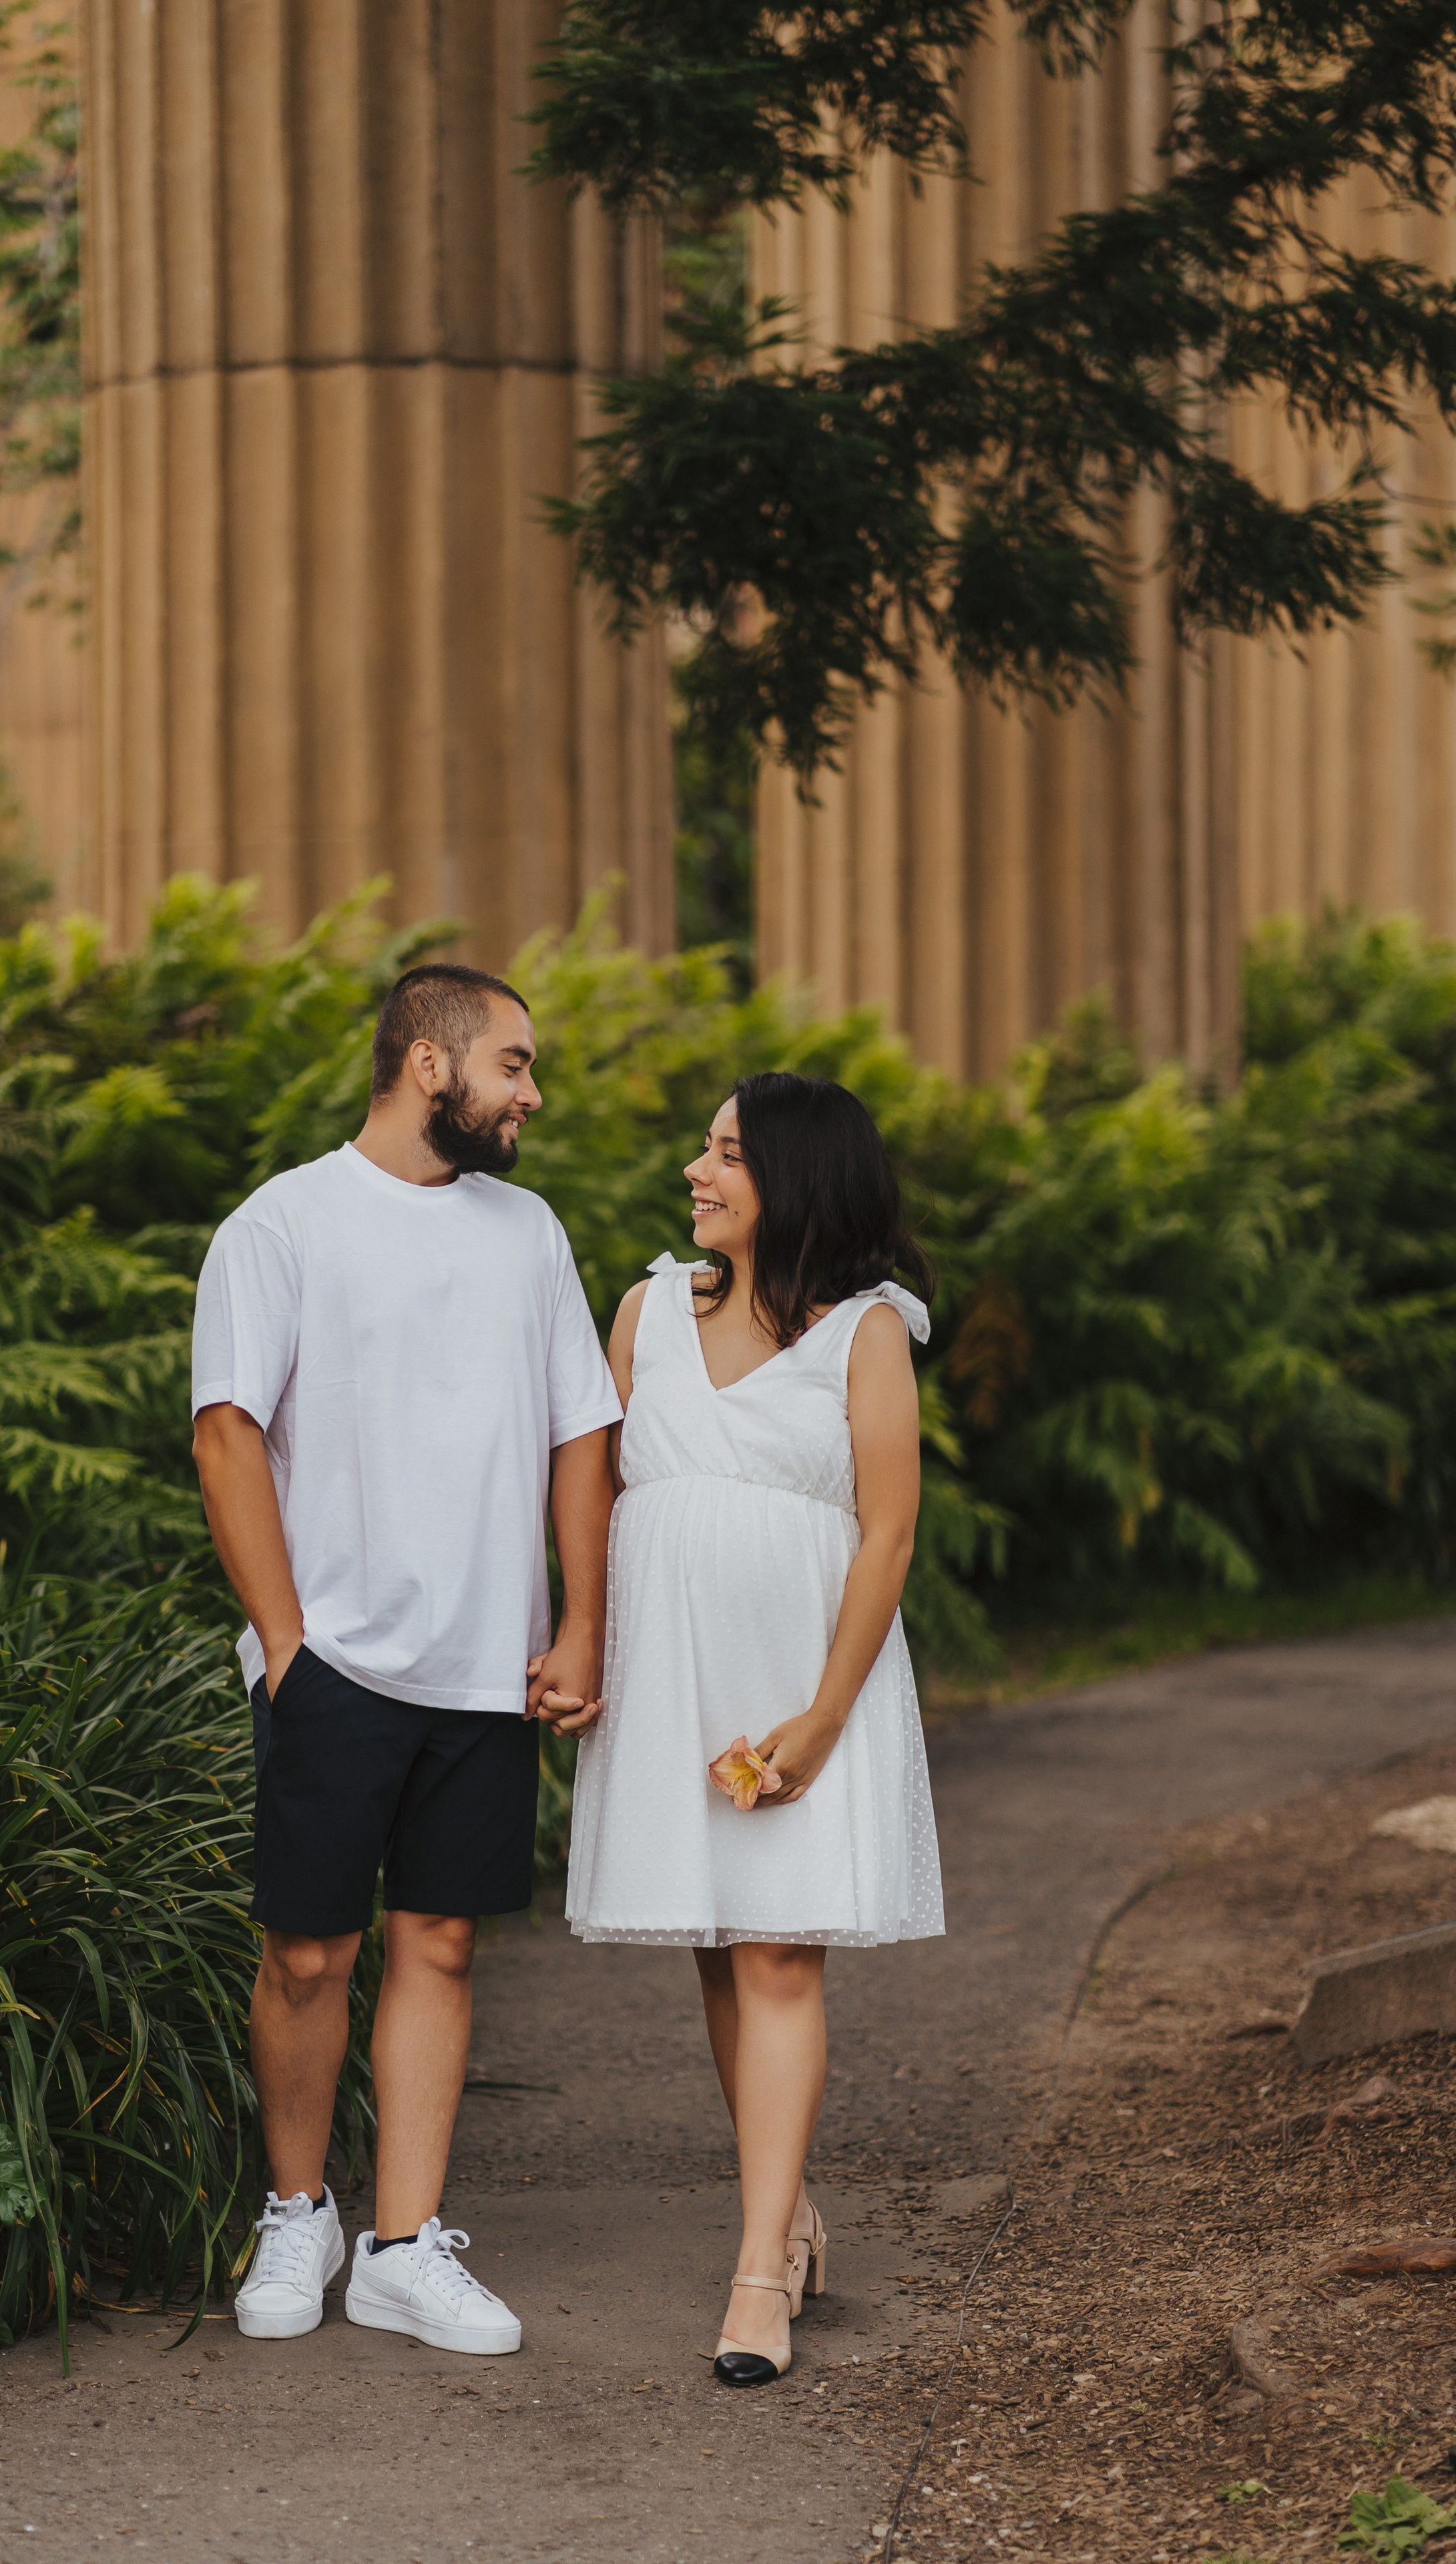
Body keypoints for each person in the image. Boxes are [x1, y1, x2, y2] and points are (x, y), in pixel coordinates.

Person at [192, 962, 620, 2354]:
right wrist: (285, 1645)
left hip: (485, 1671)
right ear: (427, 1065)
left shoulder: (529, 1232)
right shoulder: (282, 1226)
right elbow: (226, 1432)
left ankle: (399, 2245)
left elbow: (579, 1435)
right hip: (336, 1671)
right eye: (512, 1063)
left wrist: (574, 1623)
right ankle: (298, 2212)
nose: (530, 1093)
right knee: (308, 1955)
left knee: (439, 1943)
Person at [565, 1071, 945, 2386]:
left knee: (781, 1958)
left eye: (727, 1152)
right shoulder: (643, 1312)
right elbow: (593, 1490)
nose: (696, 1168)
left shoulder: (866, 1336)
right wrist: (571, 1641)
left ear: (798, 1175)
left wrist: (822, 1718)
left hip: (805, 1679)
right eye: (702, 1145)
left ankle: (753, 2277)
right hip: (672, 1678)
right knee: (725, 1955)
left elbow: (887, 1530)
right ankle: (782, 2213)